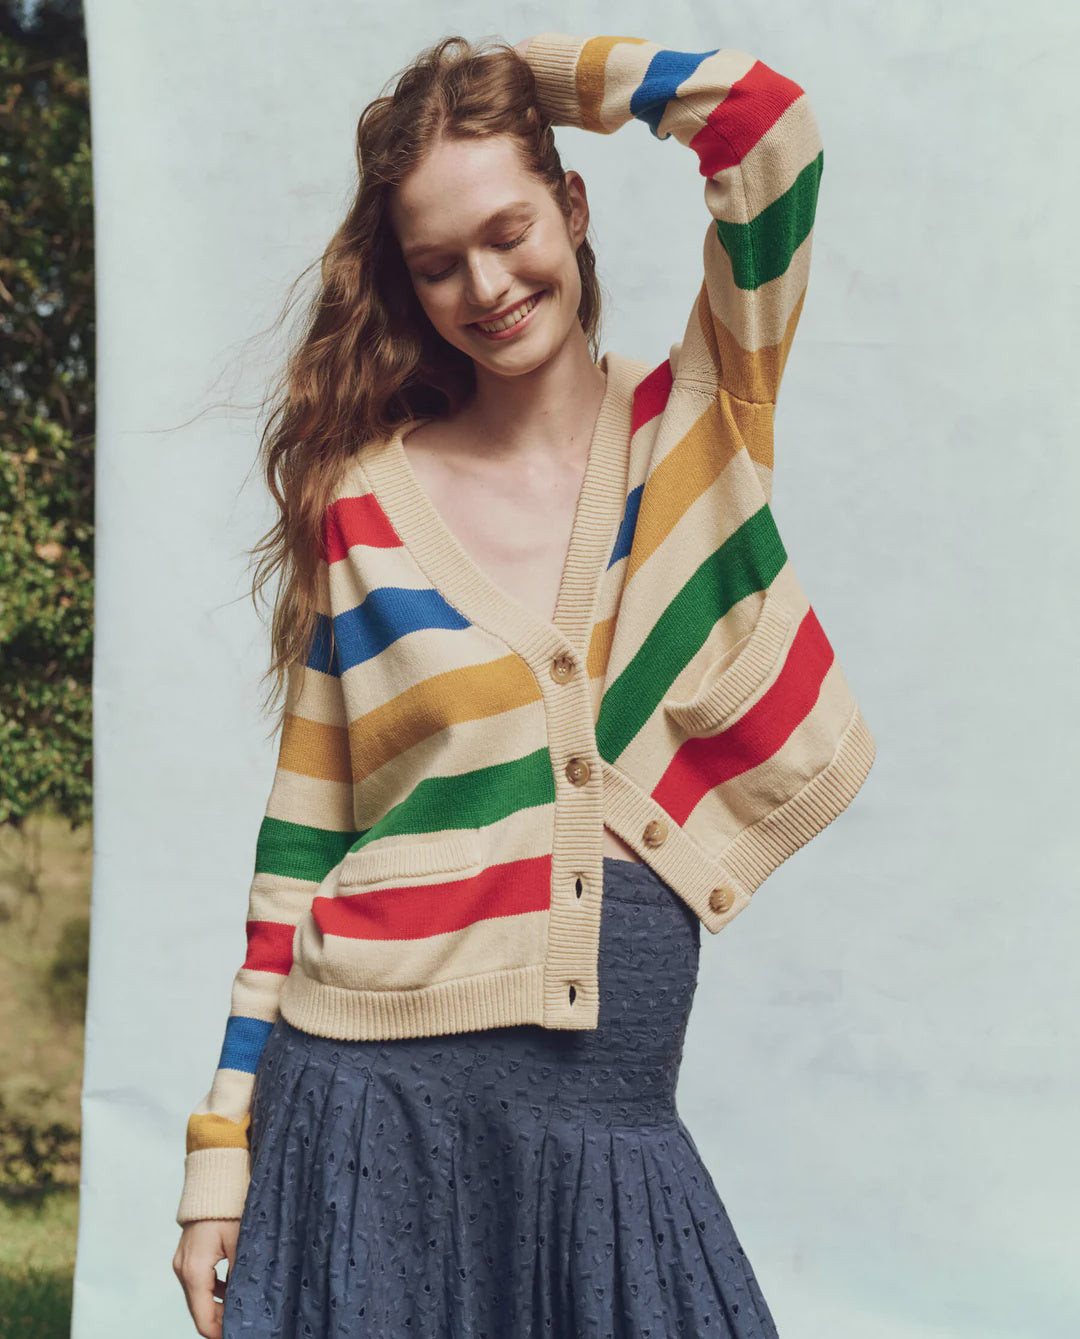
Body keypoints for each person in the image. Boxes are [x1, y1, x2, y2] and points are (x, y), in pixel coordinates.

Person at [172, 27, 875, 1339]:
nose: (484, 286)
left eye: (509, 230)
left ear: (576, 203)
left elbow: (769, 128)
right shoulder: (364, 508)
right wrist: (221, 1162)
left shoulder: (697, 427)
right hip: (369, 1113)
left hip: (602, 1127)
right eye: (435, 264)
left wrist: (522, 78)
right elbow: (303, 847)